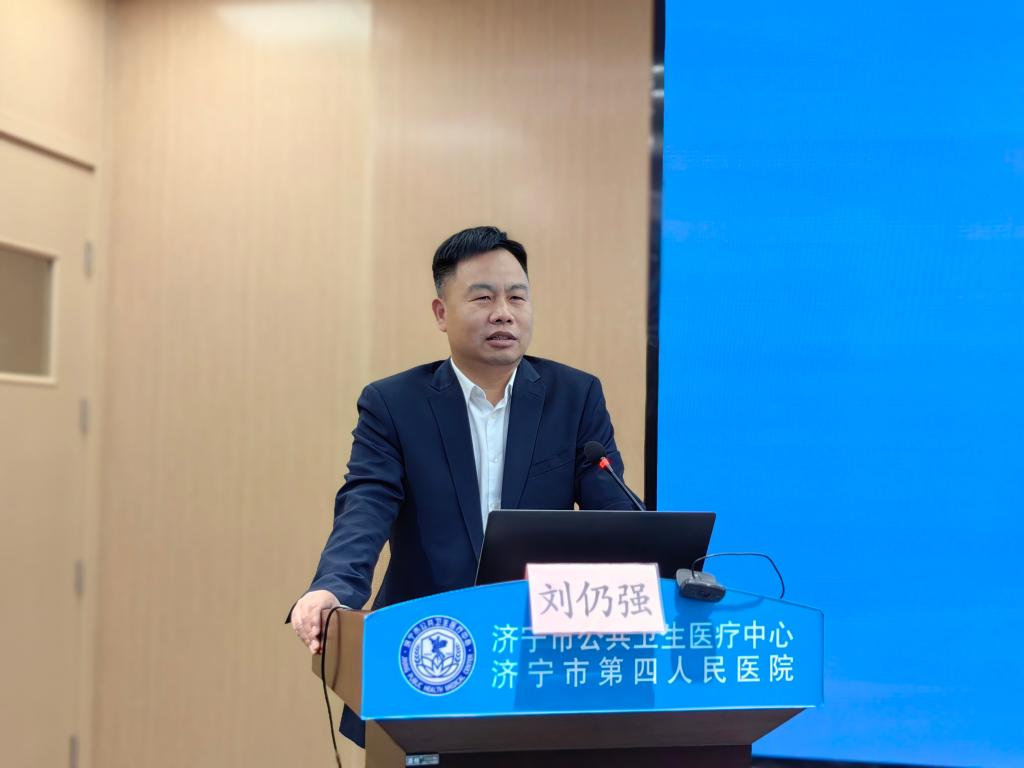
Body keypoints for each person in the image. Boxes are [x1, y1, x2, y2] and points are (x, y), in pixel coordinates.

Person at [289, 225, 633, 745]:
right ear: (441, 313)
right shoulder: (394, 404)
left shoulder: (575, 396)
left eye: (517, 297)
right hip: (426, 650)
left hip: (537, 651)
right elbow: (367, 503)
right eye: (483, 298)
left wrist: (664, 573)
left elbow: (612, 508)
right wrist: (333, 586)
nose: (504, 313)